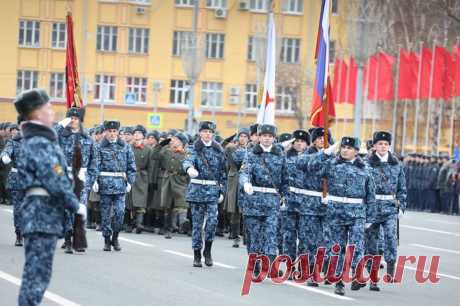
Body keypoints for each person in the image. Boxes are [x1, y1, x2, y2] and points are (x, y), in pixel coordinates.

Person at [13, 89, 86, 306]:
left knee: (36, 275)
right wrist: (75, 204)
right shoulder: (39, 142)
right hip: (41, 214)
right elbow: (53, 179)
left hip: (41, 213)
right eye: (48, 108)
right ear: (36, 113)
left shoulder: (38, 139)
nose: (53, 113)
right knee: (36, 277)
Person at [307, 137, 375, 296]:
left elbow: (371, 195)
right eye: (343, 147)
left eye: (349, 148)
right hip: (335, 212)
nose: (345, 150)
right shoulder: (331, 164)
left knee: (357, 245)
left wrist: (370, 217)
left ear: (357, 151)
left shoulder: (365, 169)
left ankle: (357, 274)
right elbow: (312, 167)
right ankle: (339, 281)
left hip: (357, 212)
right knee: (336, 248)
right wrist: (326, 153)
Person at [240, 124, 288, 273]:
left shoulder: (280, 155)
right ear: (259, 137)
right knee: (254, 236)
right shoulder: (251, 154)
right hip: (254, 200)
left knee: (271, 234)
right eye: (264, 136)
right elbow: (244, 172)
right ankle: (255, 264)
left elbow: (285, 178)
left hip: (272, 202)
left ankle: (271, 265)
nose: (267, 139)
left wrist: (286, 197)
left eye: (270, 136)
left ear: (273, 138)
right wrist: (246, 183)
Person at [365, 131, 406, 291]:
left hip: (389, 207)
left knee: (390, 238)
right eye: (380, 144)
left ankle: (390, 266)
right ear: (374, 146)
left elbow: (402, 187)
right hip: (372, 207)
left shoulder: (396, 164)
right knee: (371, 244)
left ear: (389, 146)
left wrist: (402, 206)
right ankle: (373, 277)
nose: (383, 147)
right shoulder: (366, 164)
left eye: (386, 144)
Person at [183, 121, 227, 267]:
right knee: (197, 224)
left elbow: (223, 173)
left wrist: (222, 190)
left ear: (213, 134)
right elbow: (187, 160)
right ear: (200, 133)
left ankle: (207, 251)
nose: (207, 134)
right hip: (197, 191)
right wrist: (189, 169)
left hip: (212, 192)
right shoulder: (193, 148)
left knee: (212, 222)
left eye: (210, 132)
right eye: (205, 131)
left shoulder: (219, 150)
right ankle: (197, 254)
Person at [54, 107, 97, 253]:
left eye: (76, 118)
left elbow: (94, 162)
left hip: (82, 178)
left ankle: (77, 240)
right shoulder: (60, 136)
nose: (73, 121)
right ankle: (67, 239)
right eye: (71, 118)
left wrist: (90, 179)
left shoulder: (87, 139)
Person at [93, 120, 136, 251]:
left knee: (120, 212)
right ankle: (107, 239)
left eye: (114, 131)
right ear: (105, 132)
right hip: (105, 184)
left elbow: (131, 166)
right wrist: (94, 181)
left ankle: (115, 237)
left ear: (118, 132)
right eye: (109, 131)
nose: (112, 134)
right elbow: (94, 165)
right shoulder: (99, 147)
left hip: (120, 185)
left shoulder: (125, 147)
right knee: (105, 214)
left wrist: (130, 182)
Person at [158, 132, 190, 238]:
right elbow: (154, 156)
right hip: (168, 180)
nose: (173, 141)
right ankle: (167, 229)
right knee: (167, 206)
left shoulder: (186, 155)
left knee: (182, 204)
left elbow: (190, 169)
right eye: (173, 139)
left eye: (176, 139)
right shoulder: (167, 152)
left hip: (180, 180)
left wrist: (188, 181)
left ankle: (183, 223)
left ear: (181, 142)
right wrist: (161, 145)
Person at [224, 128, 249, 248]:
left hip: (248, 180)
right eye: (241, 136)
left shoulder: (252, 150)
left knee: (246, 210)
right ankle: (235, 236)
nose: (243, 138)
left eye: (245, 136)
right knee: (235, 210)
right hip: (235, 178)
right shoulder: (232, 148)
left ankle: (245, 235)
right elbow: (229, 151)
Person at [127, 125, 154, 234]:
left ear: (143, 136)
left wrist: (151, 181)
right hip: (130, 175)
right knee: (129, 202)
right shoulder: (128, 147)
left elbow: (151, 166)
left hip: (142, 177)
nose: (136, 135)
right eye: (135, 133)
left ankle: (139, 223)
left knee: (141, 201)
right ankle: (129, 223)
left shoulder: (148, 149)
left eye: (139, 133)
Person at [1, 120, 24, 246]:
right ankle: (19, 234)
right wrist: (4, 156)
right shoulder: (14, 141)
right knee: (19, 208)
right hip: (18, 178)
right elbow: (6, 151)